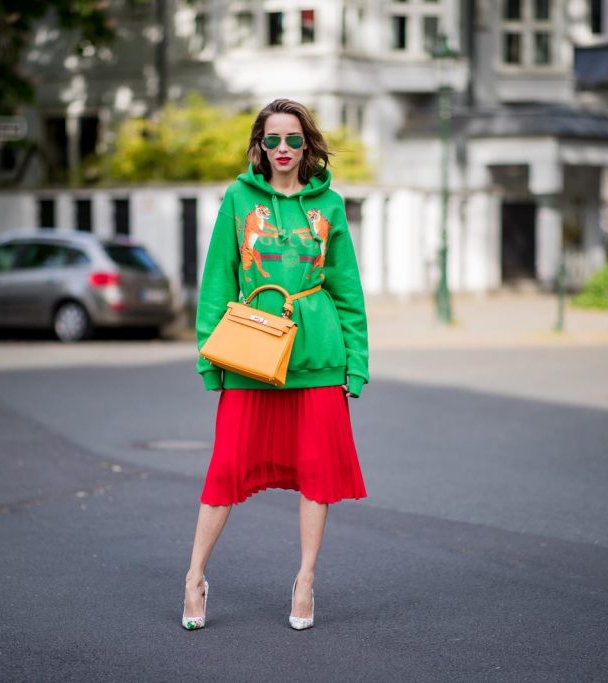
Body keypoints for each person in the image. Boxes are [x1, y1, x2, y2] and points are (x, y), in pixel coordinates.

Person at [182, 98, 369, 631]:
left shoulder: (328, 205)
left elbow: (348, 290)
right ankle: (194, 576)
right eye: (273, 140)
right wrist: (208, 357)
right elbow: (217, 280)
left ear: (307, 144)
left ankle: (306, 578)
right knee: (225, 469)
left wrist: (356, 363)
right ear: (258, 146)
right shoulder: (239, 199)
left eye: (293, 140)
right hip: (250, 352)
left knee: (317, 472)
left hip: (318, 357)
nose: (283, 149)